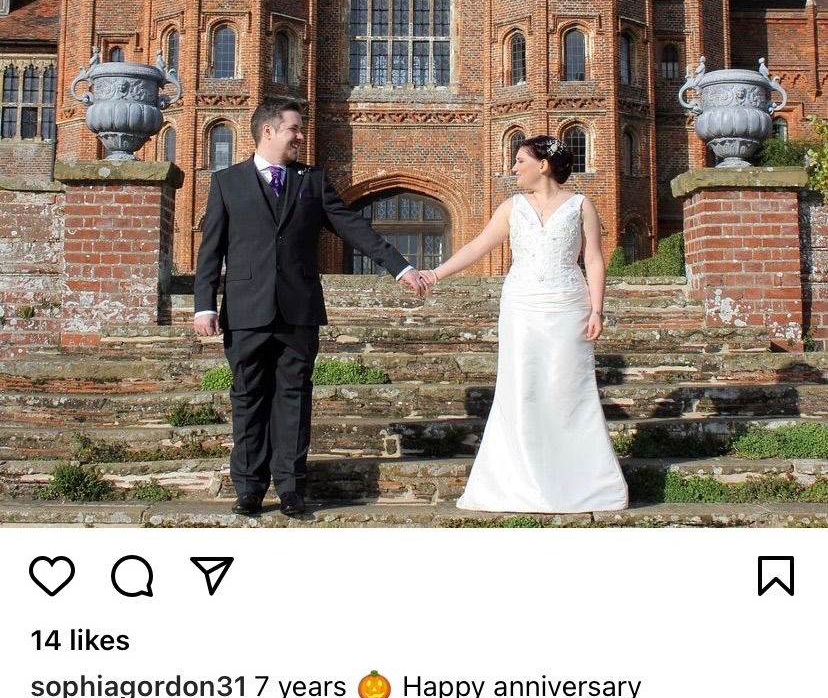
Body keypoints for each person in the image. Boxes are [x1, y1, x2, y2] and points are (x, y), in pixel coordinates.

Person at [193, 99, 426, 517]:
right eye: (294, 129)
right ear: (268, 131)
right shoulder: (228, 182)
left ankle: (290, 488)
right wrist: (203, 305)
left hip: (299, 309)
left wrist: (400, 267)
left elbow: (353, 228)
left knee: (294, 399)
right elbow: (211, 249)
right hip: (246, 311)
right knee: (247, 398)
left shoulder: (312, 181)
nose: (301, 136)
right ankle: (248, 488)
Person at [420, 136, 628, 514]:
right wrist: (435, 274)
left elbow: (595, 260)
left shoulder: (581, 205)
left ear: (543, 165)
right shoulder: (511, 208)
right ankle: (517, 482)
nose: (513, 168)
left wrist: (597, 310)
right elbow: (477, 247)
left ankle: (582, 483)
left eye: (520, 160)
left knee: (568, 389)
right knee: (522, 388)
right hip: (522, 306)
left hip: (568, 305)